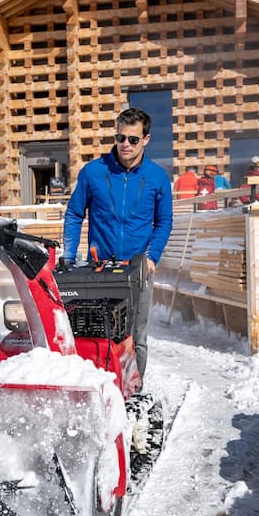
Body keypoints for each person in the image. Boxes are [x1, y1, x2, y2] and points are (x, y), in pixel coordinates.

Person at [62, 108, 173, 384]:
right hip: (99, 270)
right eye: (120, 137)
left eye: (133, 139)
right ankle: (96, 387)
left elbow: (164, 221)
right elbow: (74, 213)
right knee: (95, 333)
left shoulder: (157, 177)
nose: (125, 144)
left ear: (146, 139)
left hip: (137, 270)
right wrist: (69, 255)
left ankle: (134, 390)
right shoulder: (93, 172)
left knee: (136, 337)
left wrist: (151, 257)